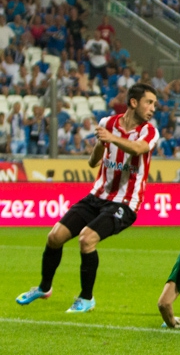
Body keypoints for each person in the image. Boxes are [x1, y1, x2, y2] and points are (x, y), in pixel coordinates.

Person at [16, 83, 160, 313]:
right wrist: (101, 145)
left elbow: (137, 149)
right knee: (54, 237)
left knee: (86, 240)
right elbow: (93, 162)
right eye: (149, 102)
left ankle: (86, 298)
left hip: (125, 202)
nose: (153, 108)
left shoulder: (149, 131)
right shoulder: (107, 124)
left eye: (154, 104)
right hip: (97, 195)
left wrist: (111, 138)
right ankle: (44, 287)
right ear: (134, 102)